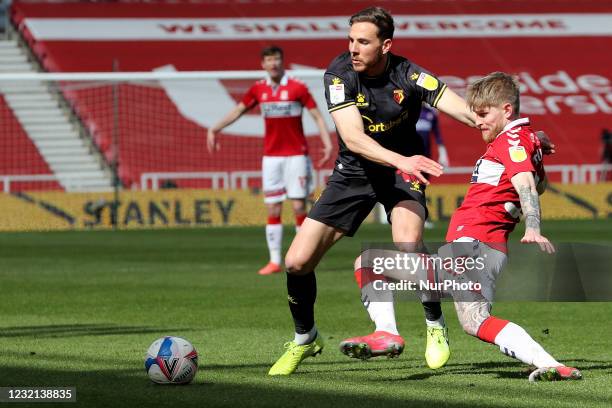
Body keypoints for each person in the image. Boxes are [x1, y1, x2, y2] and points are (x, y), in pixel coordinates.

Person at [268, 6, 481, 376]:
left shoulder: (410, 74)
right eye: (350, 40)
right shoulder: (339, 75)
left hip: (401, 173)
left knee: (409, 244)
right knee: (296, 262)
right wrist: (402, 159)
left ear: (385, 46)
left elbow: (463, 111)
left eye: (362, 42)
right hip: (354, 172)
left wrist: (510, 130)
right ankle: (306, 338)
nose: (353, 48)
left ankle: (435, 324)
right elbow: (353, 138)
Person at [348, 72, 582, 382]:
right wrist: (537, 140)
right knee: (476, 322)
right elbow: (536, 181)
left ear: (507, 110)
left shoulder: (512, 140)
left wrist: (533, 226)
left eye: (484, 114)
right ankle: (552, 365)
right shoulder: (522, 141)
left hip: (471, 247)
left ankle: (388, 333)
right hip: (484, 251)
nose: (478, 121)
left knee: (369, 264)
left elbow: (526, 184)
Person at [207, 45, 333, 276]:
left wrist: (327, 142)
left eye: (276, 59)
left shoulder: (297, 87)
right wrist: (214, 128)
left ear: (282, 61)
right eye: (269, 60)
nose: (273, 64)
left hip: (296, 155)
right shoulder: (258, 89)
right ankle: (274, 261)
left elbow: (317, 116)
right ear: (263, 64)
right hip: (271, 158)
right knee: (273, 207)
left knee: (298, 206)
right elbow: (238, 111)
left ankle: (304, 258)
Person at [416, 103, 449, 228]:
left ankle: (423, 218)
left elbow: (437, 135)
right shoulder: (408, 111)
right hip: (410, 158)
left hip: (426, 158)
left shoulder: (430, 113)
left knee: (422, 187)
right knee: (413, 187)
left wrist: (443, 153)